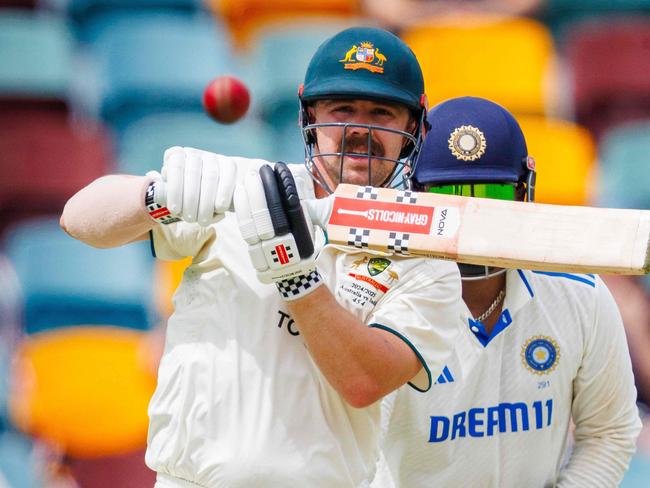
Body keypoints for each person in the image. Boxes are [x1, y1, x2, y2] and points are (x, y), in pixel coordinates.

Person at [60, 27, 462, 488]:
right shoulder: (244, 188)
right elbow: (78, 219)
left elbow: (364, 382)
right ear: (309, 113)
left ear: (412, 126)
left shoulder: (423, 254)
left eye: (381, 112)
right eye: (342, 109)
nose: (360, 129)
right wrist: (155, 196)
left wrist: (296, 277)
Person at [371, 96, 642, 487]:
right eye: (449, 197)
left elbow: (610, 434)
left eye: (491, 194)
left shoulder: (581, 296)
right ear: (416, 197)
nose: (472, 215)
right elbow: (356, 459)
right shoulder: (379, 301)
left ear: (523, 192)